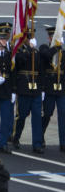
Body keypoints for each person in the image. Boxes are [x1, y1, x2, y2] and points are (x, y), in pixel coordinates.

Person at [39, 24, 65, 153]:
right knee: (47, 114)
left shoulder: (63, 52)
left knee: (63, 115)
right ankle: (40, 136)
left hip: (61, 89)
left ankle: (63, 142)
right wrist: (56, 47)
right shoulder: (44, 48)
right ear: (49, 38)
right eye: (52, 37)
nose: (54, 39)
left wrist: (61, 50)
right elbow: (47, 56)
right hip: (48, 88)